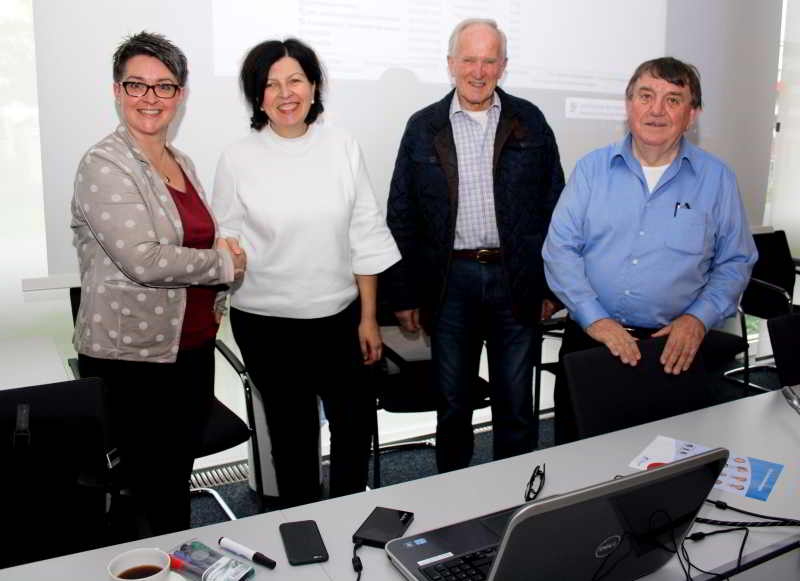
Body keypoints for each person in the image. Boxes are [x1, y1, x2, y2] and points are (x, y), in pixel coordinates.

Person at [212, 38, 400, 507]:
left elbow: (366, 232)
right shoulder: (238, 157)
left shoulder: (342, 147)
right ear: (258, 97)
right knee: (292, 442)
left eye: (295, 79)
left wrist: (370, 317)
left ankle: (350, 517)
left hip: (340, 318)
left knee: (353, 429)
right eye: (271, 84)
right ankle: (304, 539)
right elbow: (225, 234)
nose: (285, 92)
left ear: (314, 87)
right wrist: (225, 251)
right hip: (267, 325)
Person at [72, 32, 245, 537]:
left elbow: (194, 242)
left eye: (164, 87)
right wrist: (225, 266)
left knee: (174, 480)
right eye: (137, 85)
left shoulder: (182, 162)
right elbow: (143, 261)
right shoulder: (104, 163)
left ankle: (180, 561)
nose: (150, 98)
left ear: (181, 95)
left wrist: (220, 278)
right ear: (117, 90)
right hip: (132, 360)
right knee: (142, 494)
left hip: (189, 349)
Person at [542, 57, 757, 444]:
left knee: (667, 469)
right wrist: (596, 320)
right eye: (646, 96)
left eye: (673, 100)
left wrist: (697, 319)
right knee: (578, 464)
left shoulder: (717, 179)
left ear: (692, 114)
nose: (657, 110)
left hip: (674, 349)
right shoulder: (592, 170)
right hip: (592, 343)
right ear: (629, 105)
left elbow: (736, 261)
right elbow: (559, 250)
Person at [384, 19, 564, 473]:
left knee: (516, 406)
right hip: (449, 286)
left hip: (516, 281)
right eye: (469, 59)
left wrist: (551, 287)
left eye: (489, 60)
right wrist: (403, 294)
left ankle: (515, 505)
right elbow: (401, 213)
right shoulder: (423, 127)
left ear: (503, 65)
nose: (478, 71)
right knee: (452, 406)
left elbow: (555, 207)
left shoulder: (531, 121)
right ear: (450, 64)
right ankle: (454, 503)